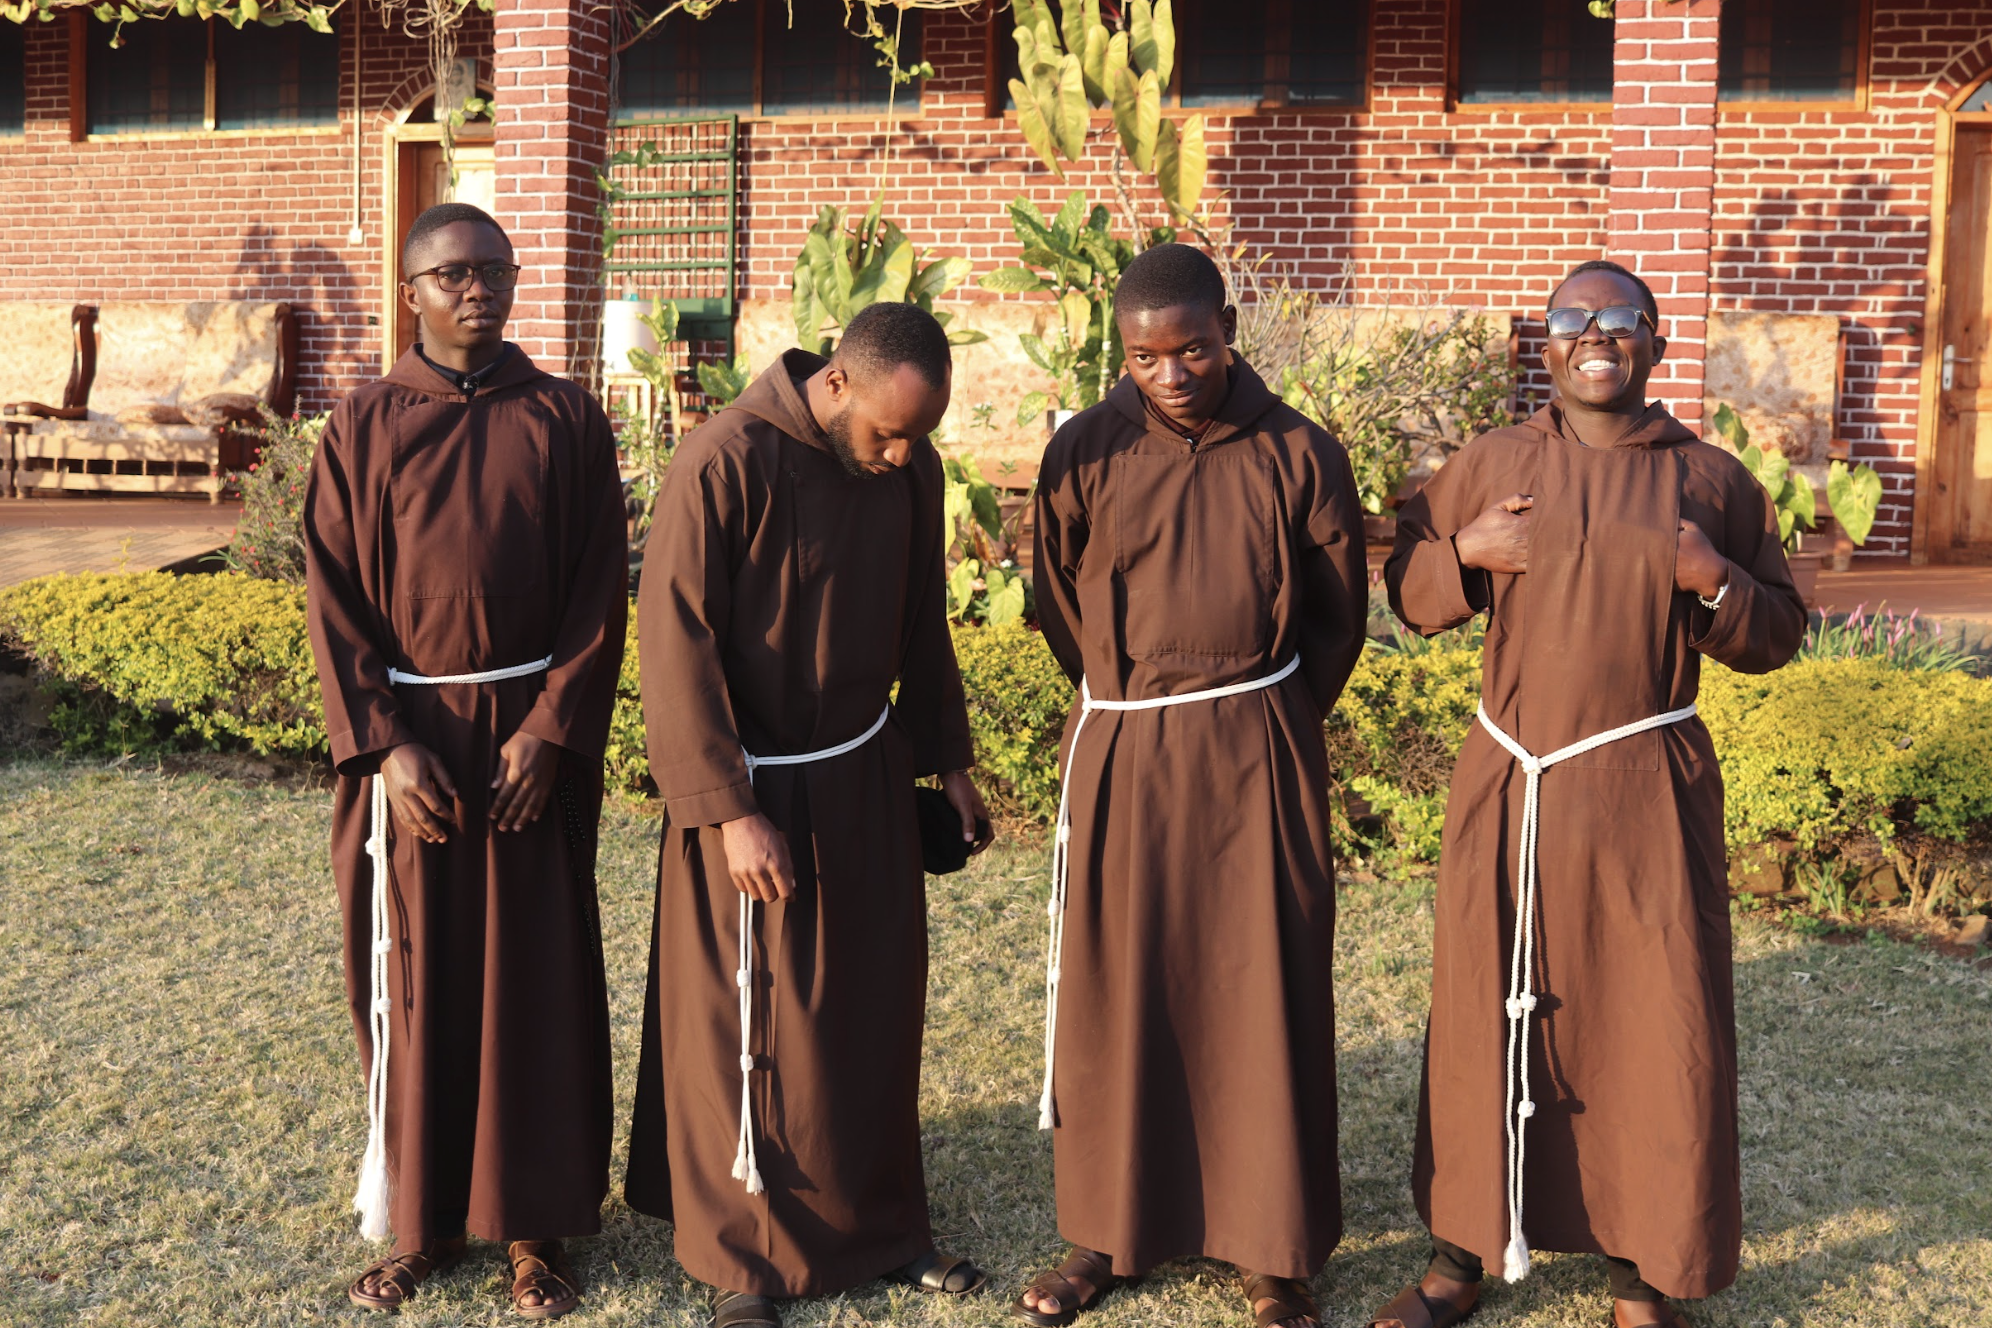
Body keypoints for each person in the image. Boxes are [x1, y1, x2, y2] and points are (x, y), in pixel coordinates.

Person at [1367, 260, 1806, 1328]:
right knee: (1485, 1008)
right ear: (1547, 345)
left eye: (1618, 319)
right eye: (1572, 319)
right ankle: (1458, 1256)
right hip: (1512, 781)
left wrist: (1715, 579)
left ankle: (1644, 1271)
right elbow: (1405, 581)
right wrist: (1465, 553)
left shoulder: (1710, 480)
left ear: (1656, 341)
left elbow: (1783, 628)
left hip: (1647, 791)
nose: (1593, 334)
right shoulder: (1495, 460)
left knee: (1653, 1024)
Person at [1016, 242, 1369, 1328]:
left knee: (1260, 985)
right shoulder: (1083, 448)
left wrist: (1257, 712)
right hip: (1126, 741)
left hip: (1257, 744)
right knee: (1119, 989)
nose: (1171, 374)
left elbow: (1336, 612)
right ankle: (1108, 1231)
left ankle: (1272, 1250)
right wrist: (1132, 691)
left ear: (1228, 327)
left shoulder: (1299, 450)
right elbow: (1053, 599)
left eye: (1193, 349)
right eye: (1144, 357)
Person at [625, 300, 995, 1328]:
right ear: (836, 383)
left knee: (872, 1011)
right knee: (756, 1014)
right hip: (753, 787)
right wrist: (729, 811)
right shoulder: (722, 459)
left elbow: (923, 624)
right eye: (887, 430)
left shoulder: (909, 472)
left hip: (864, 774)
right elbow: (675, 646)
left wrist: (947, 762)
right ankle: (747, 1257)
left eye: (918, 434)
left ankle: (883, 1228)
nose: (901, 452)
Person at [304, 201, 627, 1320]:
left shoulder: (568, 418)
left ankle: (534, 1229)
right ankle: (421, 1219)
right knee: (412, 982)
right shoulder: (359, 426)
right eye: (451, 274)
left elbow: (599, 594)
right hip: (410, 752)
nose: (475, 288)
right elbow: (334, 604)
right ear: (413, 291)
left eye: (493, 269)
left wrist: (551, 727)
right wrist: (383, 746)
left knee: (530, 984)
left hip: (528, 750)